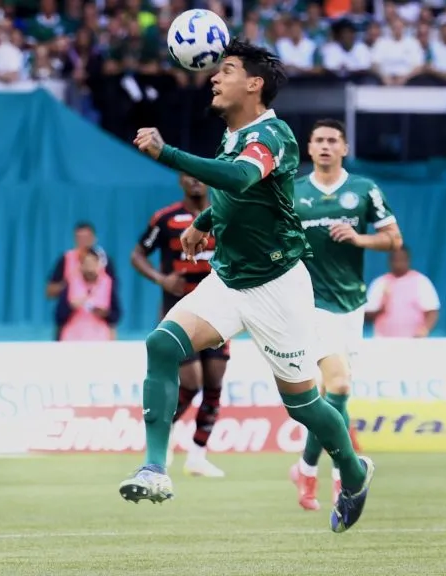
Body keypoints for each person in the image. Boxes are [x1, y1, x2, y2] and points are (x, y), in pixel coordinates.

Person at [120, 39, 374, 534]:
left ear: (254, 84)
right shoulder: (233, 134)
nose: (215, 77)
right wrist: (207, 219)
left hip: (278, 289)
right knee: (161, 344)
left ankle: (352, 470)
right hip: (230, 279)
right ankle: (155, 466)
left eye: (228, 70)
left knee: (302, 405)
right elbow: (239, 195)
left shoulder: (273, 134)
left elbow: (240, 179)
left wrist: (166, 152)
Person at [290, 119, 403, 511]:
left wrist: (359, 238)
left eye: (332, 140)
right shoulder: (292, 191)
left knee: (330, 394)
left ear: (344, 147)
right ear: (309, 148)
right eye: (318, 140)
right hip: (310, 305)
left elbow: (394, 239)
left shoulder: (363, 190)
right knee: (338, 386)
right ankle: (338, 474)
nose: (325, 146)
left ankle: (305, 467)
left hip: (351, 305)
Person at [132, 173, 228, 478]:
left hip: (219, 313)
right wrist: (162, 279)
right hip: (179, 313)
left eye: (202, 176)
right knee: (191, 381)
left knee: (214, 382)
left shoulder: (224, 214)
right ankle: (163, 435)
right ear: (180, 182)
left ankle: (198, 455)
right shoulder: (166, 218)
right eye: (190, 176)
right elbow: (137, 255)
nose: (197, 181)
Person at [365, 246, 439, 338]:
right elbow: (366, 315)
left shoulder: (421, 281)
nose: (398, 263)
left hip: (413, 342)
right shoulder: (380, 283)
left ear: (408, 260)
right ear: (389, 261)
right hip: (383, 342)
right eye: (395, 260)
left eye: (401, 259)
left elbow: (432, 311)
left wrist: (424, 329)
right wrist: (381, 308)